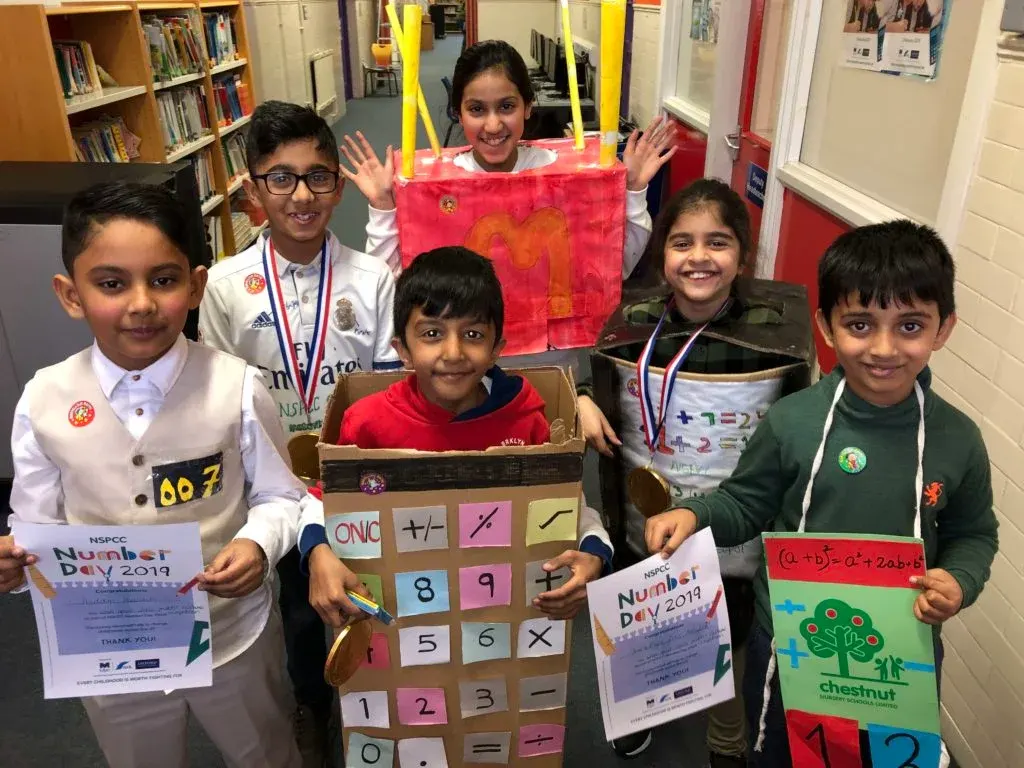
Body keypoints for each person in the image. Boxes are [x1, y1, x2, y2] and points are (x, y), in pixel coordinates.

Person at [644, 220, 999, 767]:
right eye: (860, 324)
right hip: (788, 642)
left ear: (943, 328)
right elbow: (745, 503)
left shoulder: (958, 438)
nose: (883, 348)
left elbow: (974, 534)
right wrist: (694, 513)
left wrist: (960, 580)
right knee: (780, 755)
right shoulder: (793, 420)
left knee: (881, 758)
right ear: (826, 328)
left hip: (898, 650)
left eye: (910, 326)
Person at [0, 181, 309, 768]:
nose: (141, 304)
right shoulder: (43, 399)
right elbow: (36, 524)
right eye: (111, 284)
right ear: (70, 294)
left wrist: (257, 543)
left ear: (195, 286)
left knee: (265, 752)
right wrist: (16, 564)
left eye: (164, 280)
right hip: (109, 646)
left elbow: (280, 495)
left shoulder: (237, 386)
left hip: (230, 636)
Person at [199, 100, 401, 767]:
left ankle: (370, 703)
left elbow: (386, 391)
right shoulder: (226, 287)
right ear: (252, 191)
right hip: (271, 485)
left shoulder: (374, 280)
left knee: (364, 591)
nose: (302, 195)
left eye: (318, 177)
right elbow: (218, 400)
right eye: (280, 178)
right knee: (290, 609)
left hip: (355, 476)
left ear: (338, 187)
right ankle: (311, 703)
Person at [575, 179, 805, 764]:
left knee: (727, 625)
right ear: (662, 255)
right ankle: (640, 709)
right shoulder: (635, 322)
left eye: (717, 242)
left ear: (742, 255)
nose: (699, 257)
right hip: (645, 513)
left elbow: (803, 405)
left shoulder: (773, 335)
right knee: (644, 612)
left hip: (732, 521)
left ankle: (725, 736)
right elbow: (595, 371)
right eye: (682, 243)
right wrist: (581, 396)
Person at [298, 247, 614, 629]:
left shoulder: (525, 420)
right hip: (401, 618)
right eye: (432, 333)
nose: (453, 352)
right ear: (403, 351)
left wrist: (594, 551)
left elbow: (566, 504)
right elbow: (322, 501)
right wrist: (317, 551)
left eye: (473, 334)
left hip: (498, 616)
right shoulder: (367, 423)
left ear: (497, 349)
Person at [339, 39, 676, 283]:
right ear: (458, 113)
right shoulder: (436, 186)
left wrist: (633, 190)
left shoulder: (561, 173)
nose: (493, 125)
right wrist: (383, 207)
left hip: (553, 351)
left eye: (506, 107)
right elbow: (394, 280)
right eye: (476, 109)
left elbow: (616, 268)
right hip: (469, 351)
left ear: (528, 106)